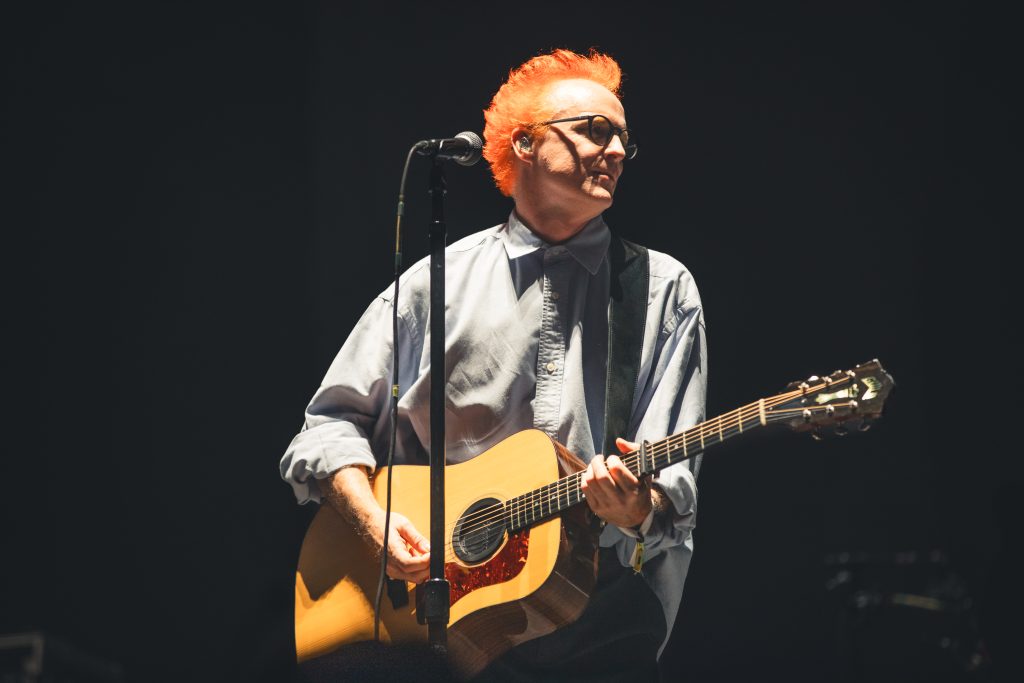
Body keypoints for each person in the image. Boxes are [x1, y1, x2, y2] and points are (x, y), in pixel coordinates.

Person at [281, 49, 707, 681]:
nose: (617, 151)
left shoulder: (662, 290)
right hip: (432, 624)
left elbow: (668, 494)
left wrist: (636, 505)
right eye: (596, 130)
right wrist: (373, 523)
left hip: (594, 619)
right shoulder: (436, 283)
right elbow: (324, 431)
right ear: (525, 143)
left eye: (624, 139)